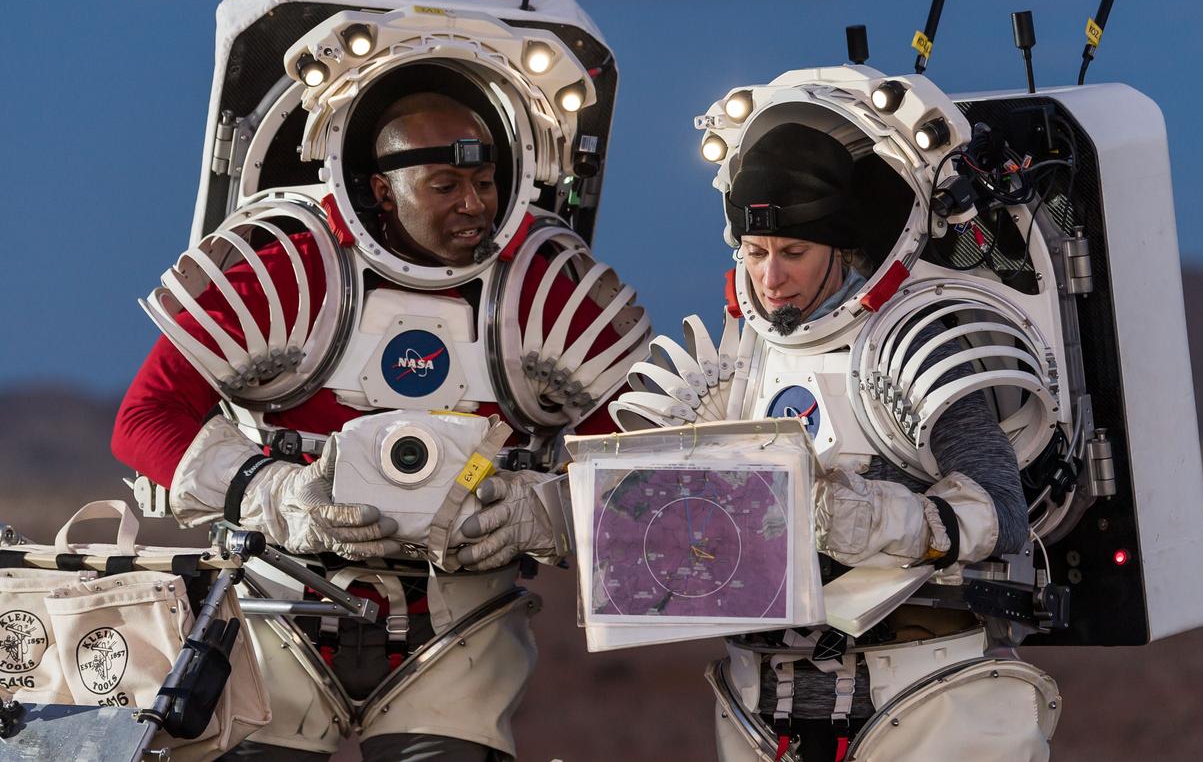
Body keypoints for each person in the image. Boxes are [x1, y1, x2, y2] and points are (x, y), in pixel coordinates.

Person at [113, 90, 645, 761]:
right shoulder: (288, 271)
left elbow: (642, 469)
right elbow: (144, 418)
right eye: (445, 184)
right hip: (280, 608)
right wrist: (272, 492)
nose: (474, 203)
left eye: (485, 183)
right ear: (381, 189)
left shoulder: (549, 293)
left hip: (461, 625)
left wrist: (547, 508)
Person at [615, 122, 1054, 761]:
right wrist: (551, 518)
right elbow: (634, 509)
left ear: (842, 249)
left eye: (792, 252)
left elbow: (1004, 513)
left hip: (921, 693)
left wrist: (874, 516)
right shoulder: (736, 363)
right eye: (755, 252)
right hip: (764, 701)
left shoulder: (912, 345)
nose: (770, 277)